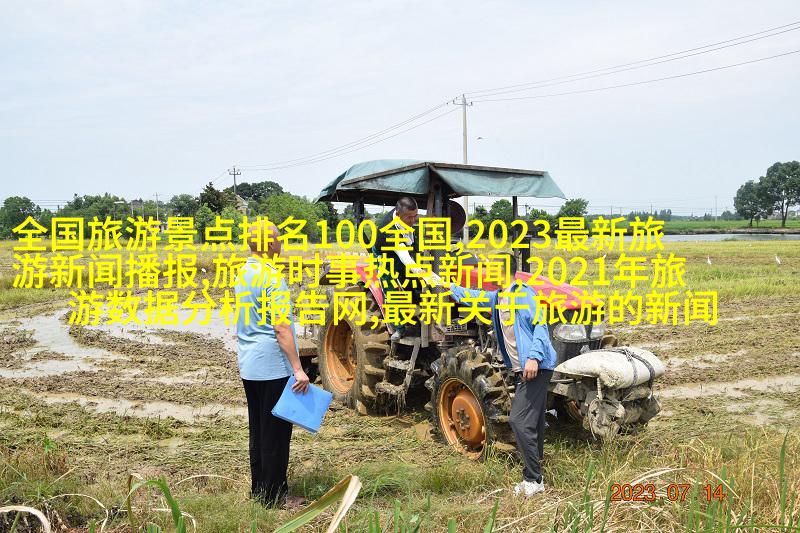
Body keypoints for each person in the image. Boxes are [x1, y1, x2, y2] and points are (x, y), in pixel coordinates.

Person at [448, 278, 557, 497]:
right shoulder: (498, 297)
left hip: (537, 367)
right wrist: (449, 287)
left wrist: (534, 357)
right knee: (534, 421)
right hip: (523, 369)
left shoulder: (524, 294)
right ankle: (536, 473)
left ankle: (533, 479)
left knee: (518, 420)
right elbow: (473, 297)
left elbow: (541, 325)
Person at [234, 218, 310, 508]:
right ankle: (276, 497)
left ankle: (260, 490)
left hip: (249, 365)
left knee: (258, 430)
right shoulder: (272, 278)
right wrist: (298, 369)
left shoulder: (244, 274)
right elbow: (281, 328)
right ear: (269, 244)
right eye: (278, 239)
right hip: (273, 366)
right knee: (276, 434)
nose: (281, 243)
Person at [371, 196, 420, 341]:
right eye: (409, 217)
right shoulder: (389, 229)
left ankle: (418, 314)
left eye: (415, 216)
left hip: (403, 249)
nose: (413, 220)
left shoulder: (407, 216)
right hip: (385, 254)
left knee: (412, 283)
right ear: (398, 215)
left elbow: (411, 249)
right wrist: (421, 272)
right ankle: (399, 328)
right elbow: (404, 256)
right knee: (391, 288)